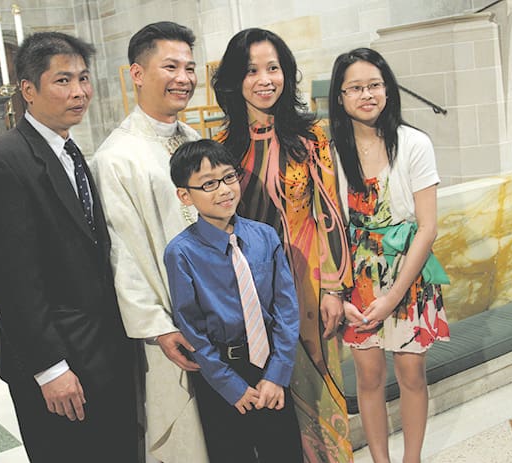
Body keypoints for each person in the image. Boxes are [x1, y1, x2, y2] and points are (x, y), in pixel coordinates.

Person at [0, 32, 138, 462]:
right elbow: (11, 281)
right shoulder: (3, 162)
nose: (79, 91)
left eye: (83, 79)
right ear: (29, 90)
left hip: (100, 351)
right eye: (63, 81)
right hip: (57, 362)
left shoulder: (68, 148)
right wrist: (50, 369)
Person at [212, 28, 354, 462]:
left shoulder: (313, 138)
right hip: (248, 293)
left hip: (307, 282)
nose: (265, 79)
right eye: (252, 70)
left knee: (317, 387)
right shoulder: (221, 147)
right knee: (268, 404)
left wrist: (333, 288)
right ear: (235, 80)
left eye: (273, 68)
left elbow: (331, 214)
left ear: (286, 74)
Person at [89, 22, 209, 462]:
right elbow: (121, 252)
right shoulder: (116, 158)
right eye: (171, 66)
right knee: (186, 439)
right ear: (137, 74)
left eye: (190, 68)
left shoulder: (195, 141)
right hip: (170, 327)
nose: (184, 78)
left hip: (221, 319)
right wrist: (158, 327)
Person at [328, 47, 450, 463]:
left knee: (412, 373)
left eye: (375, 85)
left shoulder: (415, 142)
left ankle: (411, 459)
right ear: (340, 96)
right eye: (356, 87)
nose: (367, 94)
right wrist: (339, 288)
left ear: (388, 89)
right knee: (368, 373)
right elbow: (330, 224)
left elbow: (428, 227)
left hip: (407, 272)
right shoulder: (330, 151)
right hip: (356, 274)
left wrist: (395, 295)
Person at [164, 139, 303, 463]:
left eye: (229, 177)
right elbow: (191, 327)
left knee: (284, 452)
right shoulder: (181, 252)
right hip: (222, 373)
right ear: (185, 195)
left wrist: (277, 374)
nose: (224, 189)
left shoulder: (264, 236)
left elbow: (286, 308)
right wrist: (230, 386)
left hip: (270, 366)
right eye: (209, 184)